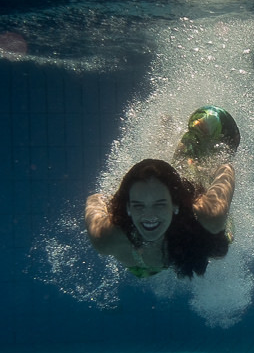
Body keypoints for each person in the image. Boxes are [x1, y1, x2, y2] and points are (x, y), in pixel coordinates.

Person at [86, 107, 238, 278]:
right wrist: (117, 202)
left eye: (160, 204)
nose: (149, 215)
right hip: (143, 267)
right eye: (138, 205)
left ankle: (196, 134)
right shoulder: (107, 237)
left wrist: (216, 165)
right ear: (128, 208)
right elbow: (96, 199)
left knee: (220, 245)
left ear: (175, 205)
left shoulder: (209, 216)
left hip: (191, 225)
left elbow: (226, 169)